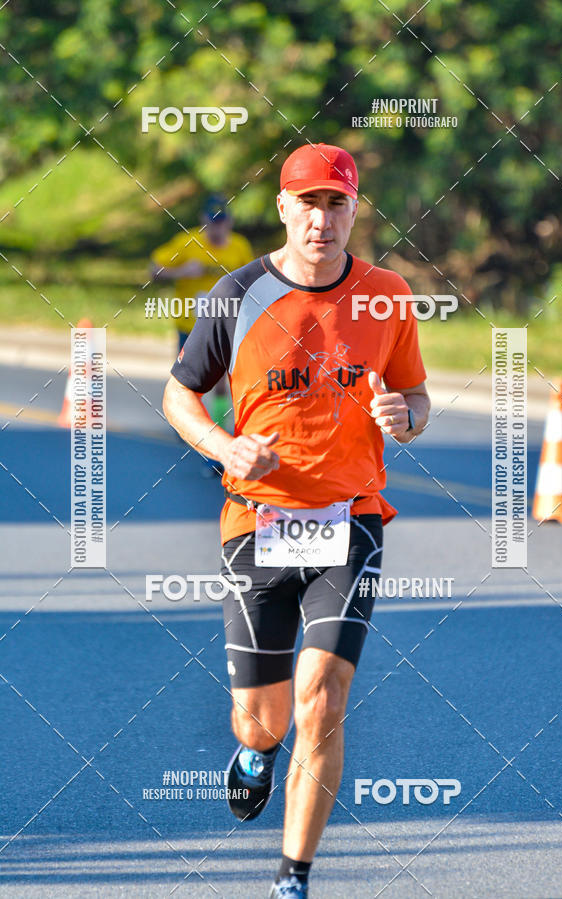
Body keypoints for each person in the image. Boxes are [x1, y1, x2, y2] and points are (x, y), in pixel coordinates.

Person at [162, 143, 430, 898]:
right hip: (257, 522)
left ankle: (292, 878)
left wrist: (406, 416)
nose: (322, 219)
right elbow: (181, 393)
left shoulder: (387, 295)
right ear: (283, 207)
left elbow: (416, 397)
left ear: (354, 211)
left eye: (336, 204)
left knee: (324, 698)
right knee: (263, 719)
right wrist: (224, 446)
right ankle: (255, 752)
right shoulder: (236, 294)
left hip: (352, 520)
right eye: (308, 203)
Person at [151, 194, 253, 430]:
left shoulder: (239, 247)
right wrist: (182, 272)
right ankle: (184, 426)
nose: (216, 229)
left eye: (221, 222)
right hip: (190, 325)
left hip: (225, 324)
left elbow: (252, 281)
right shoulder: (187, 243)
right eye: (212, 223)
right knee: (186, 382)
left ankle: (219, 427)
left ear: (230, 222)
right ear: (203, 220)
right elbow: (153, 271)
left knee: (222, 380)